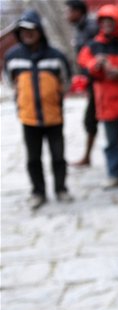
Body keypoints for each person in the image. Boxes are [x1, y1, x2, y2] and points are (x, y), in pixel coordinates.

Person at [4, 9, 73, 210]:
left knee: (58, 156)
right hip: (29, 117)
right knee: (33, 158)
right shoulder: (13, 57)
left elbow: (66, 81)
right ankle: (38, 192)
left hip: (54, 116)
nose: (27, 34)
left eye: (31, 30)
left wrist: (53, 96)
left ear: (40, 31)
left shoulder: (55, 56)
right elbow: (9, 82)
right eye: (23, 30)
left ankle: (61, 188)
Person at [77, 3, 118, 190]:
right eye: (103, 21)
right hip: (106, 104)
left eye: (110, 21)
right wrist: (95, 65)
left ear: (117, 22)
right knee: (110, 142)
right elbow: (83, 64)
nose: (106, 25)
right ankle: (113, 174)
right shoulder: (93, 46)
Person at [65, 0, 98, 167]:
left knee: (91, 119)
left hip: (98, 80)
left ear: (79, 12)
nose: (67, 15)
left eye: (70, 11)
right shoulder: (80, 28)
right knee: (104, 117)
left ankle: (87, 156)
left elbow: (94, 54)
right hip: (90, 81)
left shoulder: (91, 28)